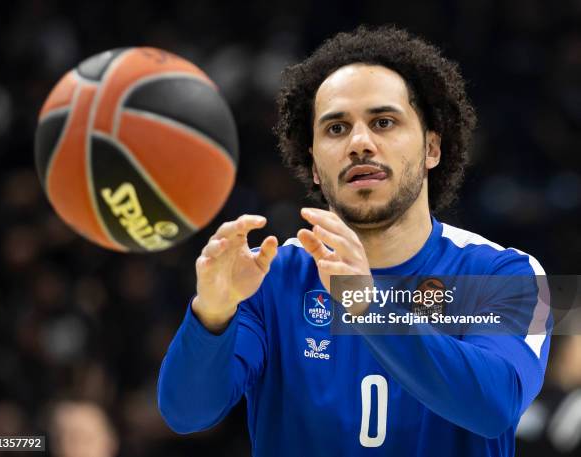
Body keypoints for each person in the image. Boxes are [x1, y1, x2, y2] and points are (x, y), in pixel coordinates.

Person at [157, 25, 551, 456]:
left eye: (384, 122)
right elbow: (185, 413)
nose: (359, 143)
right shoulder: (268, 278)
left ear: (432, 148)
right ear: (312, 163)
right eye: (336, 129)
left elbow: (494, 407)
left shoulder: (505, 273)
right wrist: (211, 313)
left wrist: (369, 307)